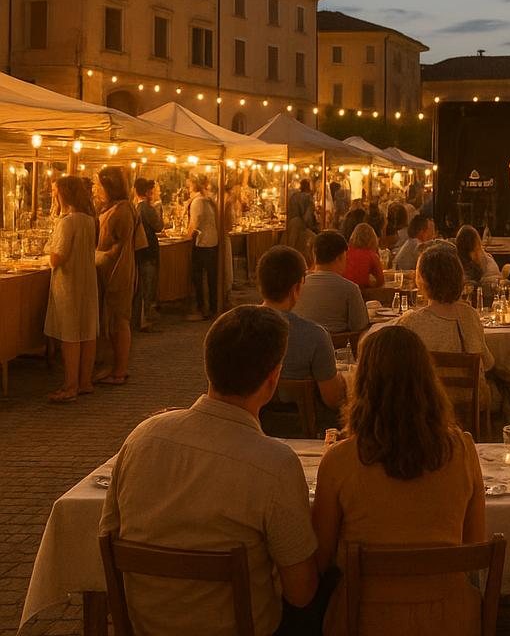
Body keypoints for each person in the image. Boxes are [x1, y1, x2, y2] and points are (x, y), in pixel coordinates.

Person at [99, 305, 319, 636]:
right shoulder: (275, 464)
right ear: (272, 379)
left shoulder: (142, 438)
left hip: (147, 627)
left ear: (208, 366)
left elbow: (109, 536)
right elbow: (300, 593)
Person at [312, 326, 486, 635]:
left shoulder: (339, 461)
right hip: (449, 619)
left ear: (362, 384)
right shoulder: (462, 450)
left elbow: (320, 560)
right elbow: (474, 545)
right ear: (428, 381)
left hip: (364, 619)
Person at [398, 241, 494, 412]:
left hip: (428, 405)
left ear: (423, 279)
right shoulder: (470, 315)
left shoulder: (411, 322)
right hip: (471, 401)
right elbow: (487, 363)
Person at [259, 245, 345, 433]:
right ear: (297, 288)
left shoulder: (237, 327)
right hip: (304, 430)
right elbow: (332, 399)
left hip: (253, 427)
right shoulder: (315, 336)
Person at [43, 176, 99, 402]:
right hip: (86, 279)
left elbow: (58, 257)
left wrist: (47, 254)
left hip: (69, 283)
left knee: (70, 333)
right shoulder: (88, 219)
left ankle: (70, 385)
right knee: (86, 330)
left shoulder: (67, 222)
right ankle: (85, 381)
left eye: (55, 191)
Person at [95, 166, 139, 385]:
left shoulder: (122, 211)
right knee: (112, 321)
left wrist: (97, 256)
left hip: (118, 272)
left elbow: (118, 246)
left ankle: (120, 370)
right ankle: (113, 366)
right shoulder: (111, 208)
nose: (96, 189)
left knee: (119, 320)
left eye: (98, 185)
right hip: (110, 271)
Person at [293, 230, 369, 335]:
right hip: (337, 348)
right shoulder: (350, 289)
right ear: (340, 257)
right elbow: (360, 326)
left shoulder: (297, 285)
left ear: (314, 256)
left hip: (301, 346)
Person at [185, 175, 218, 322]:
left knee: (198, 276)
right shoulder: (208, 200)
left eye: (189, 184)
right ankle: (213, 306)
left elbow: (195, 222)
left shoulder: (198, 202)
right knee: (211, 276)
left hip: (202, 242)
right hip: (212, 241)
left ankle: (202, 308)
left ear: (193, 185)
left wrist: (187, 235)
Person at [132, 177, 163, 331]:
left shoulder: (136, 207)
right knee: (147, 284)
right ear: (147, 191)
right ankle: (143, 319)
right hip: (149, 250)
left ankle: (142, 317)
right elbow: (158, 226)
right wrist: (158, 209)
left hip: (141, 250)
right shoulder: (147, 208)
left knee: (143, 284)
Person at [285, 179, 319, 261]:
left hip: (291, 225)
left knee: (291, 247)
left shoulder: (294, 196)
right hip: (301, 227)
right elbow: (308, 217)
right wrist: (311, 227)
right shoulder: (308, 198)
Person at [342, 222, 384, 288]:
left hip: (344, 289)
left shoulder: (345, 253)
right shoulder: (372, 256)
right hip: (363, 293)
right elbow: (381, 281)